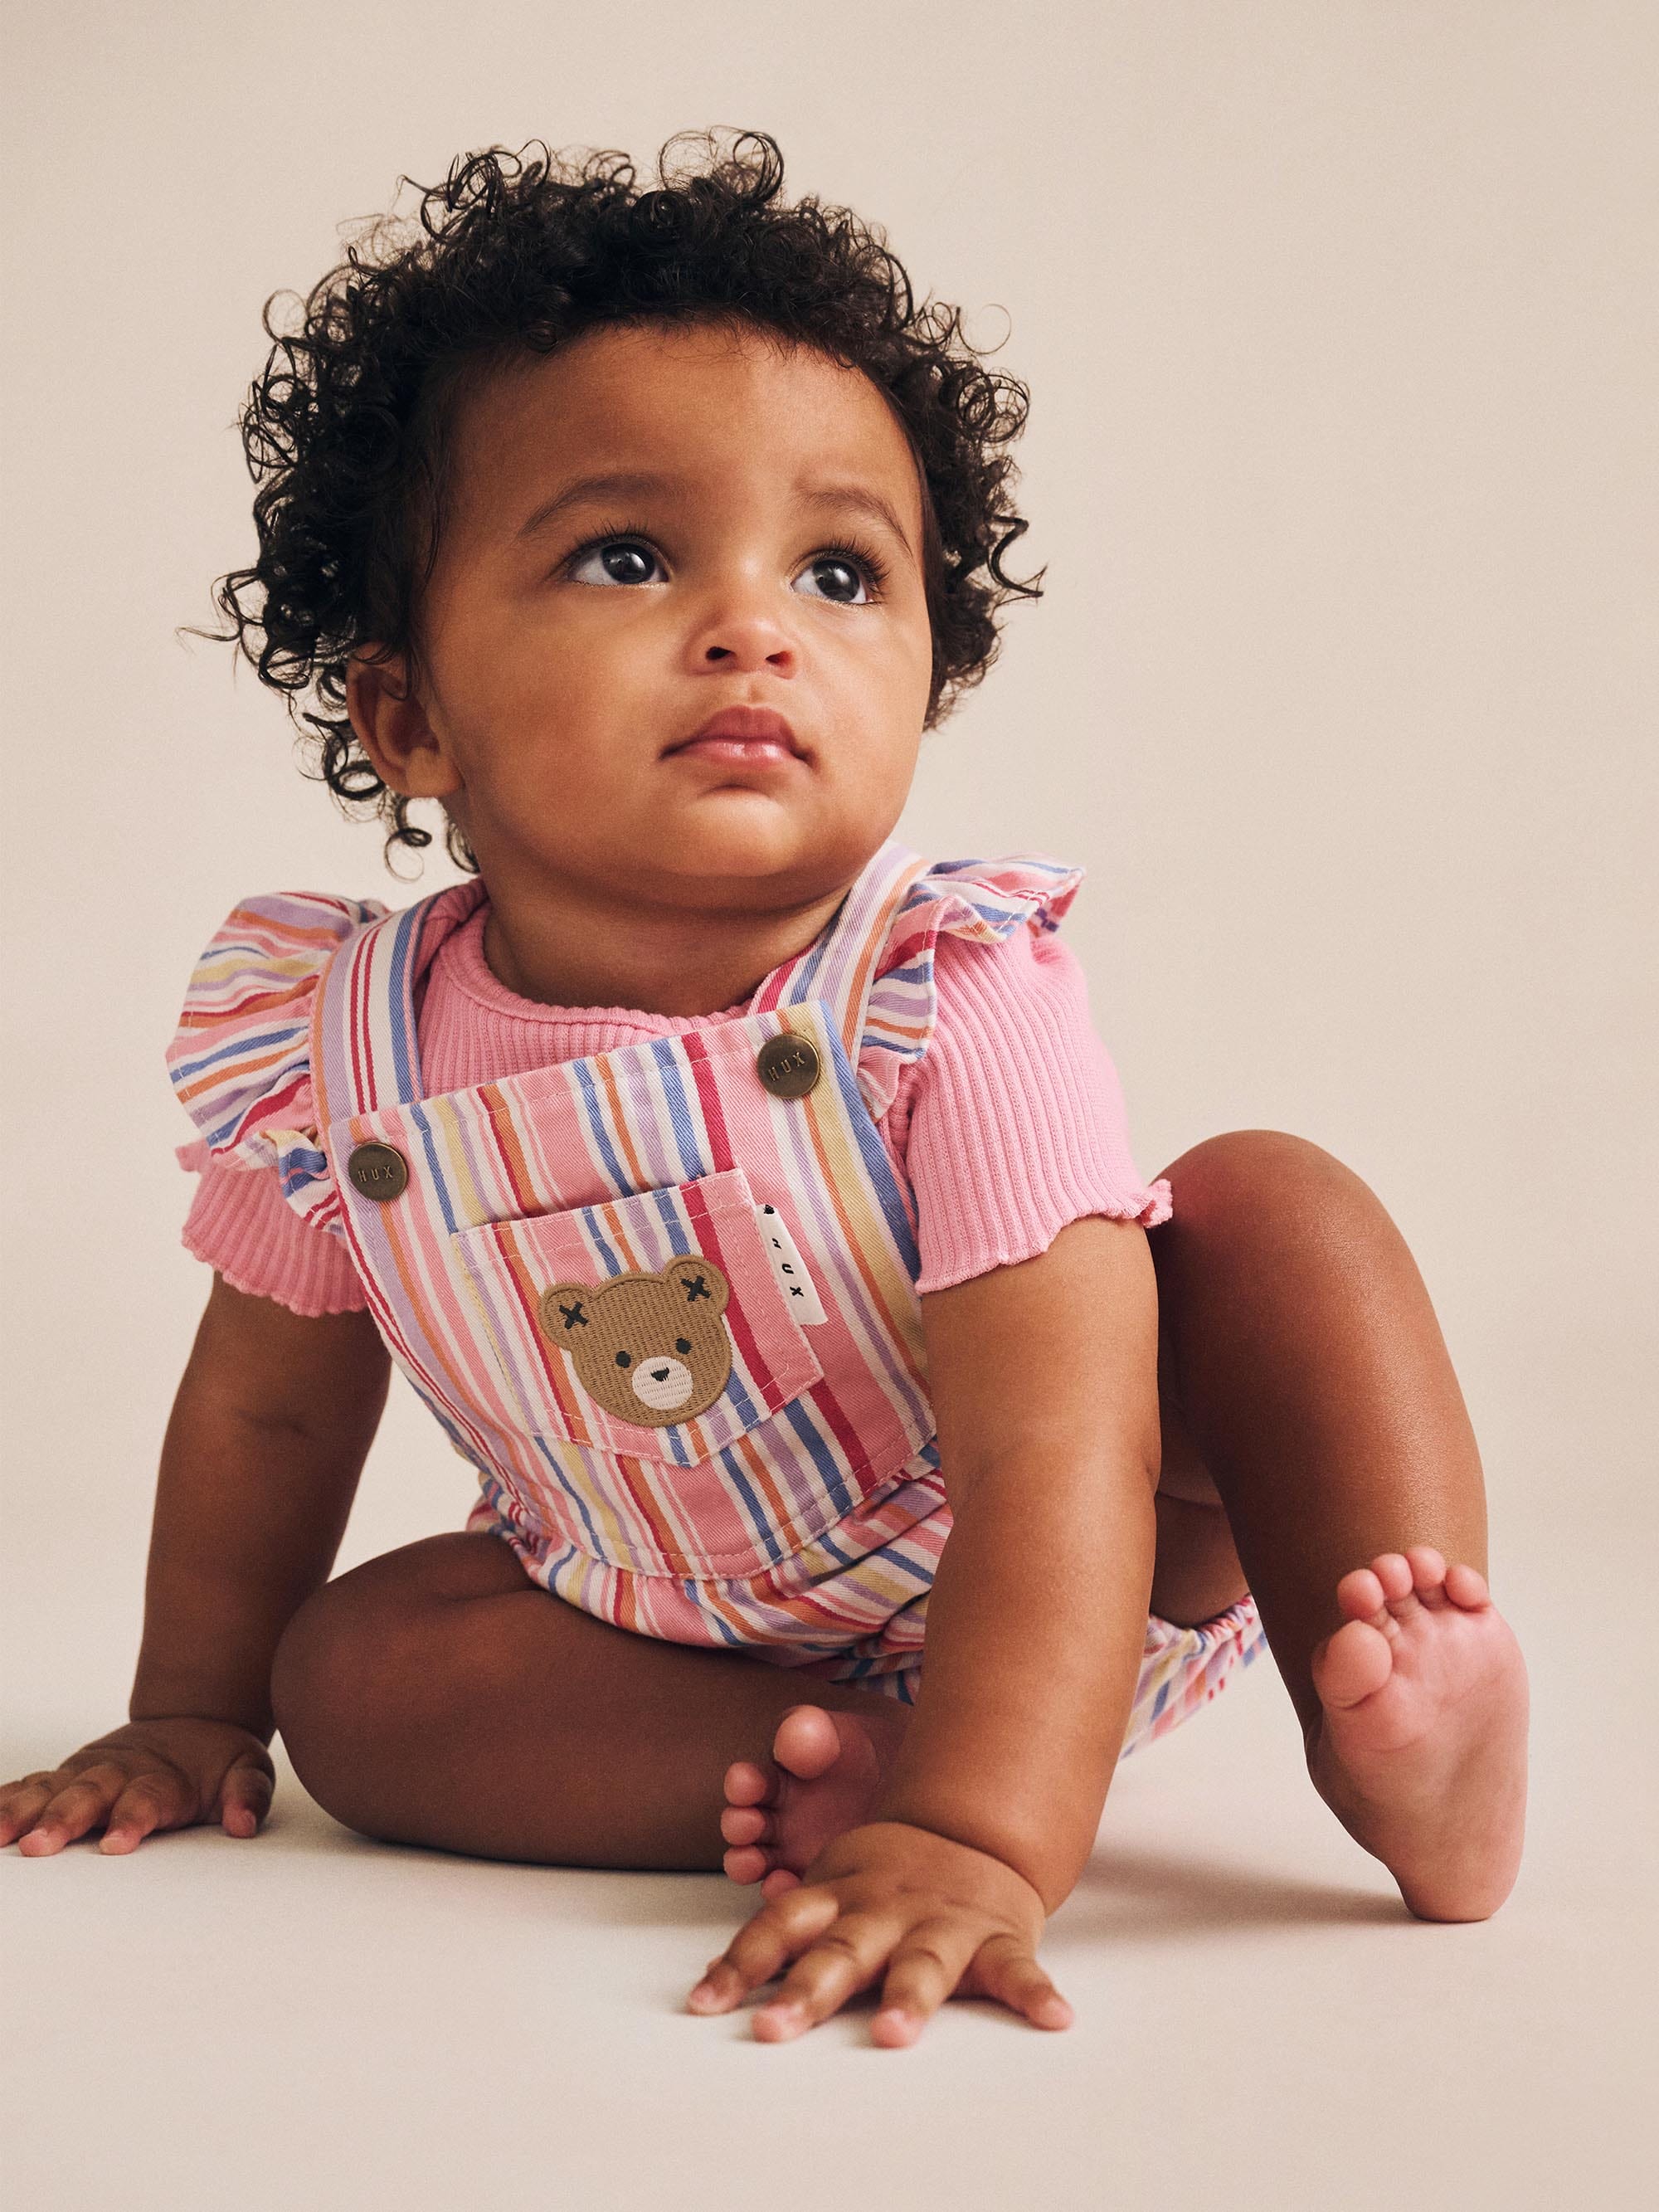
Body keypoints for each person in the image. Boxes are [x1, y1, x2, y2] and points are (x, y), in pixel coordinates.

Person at [0, 129, 1527, 2047]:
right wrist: (190, 1707)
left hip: (1083, 1562)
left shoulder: (944, 992)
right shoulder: (333, 1042)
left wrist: (981, 1831)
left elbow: (1062, 1446)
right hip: (656, 1624)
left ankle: (1405, 1703)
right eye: (627, 556)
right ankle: (830, 1760)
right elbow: (269, 1413)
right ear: (408, 715)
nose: (754, 625)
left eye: (838, 569)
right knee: (358, 1684)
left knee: (1279, 1214)